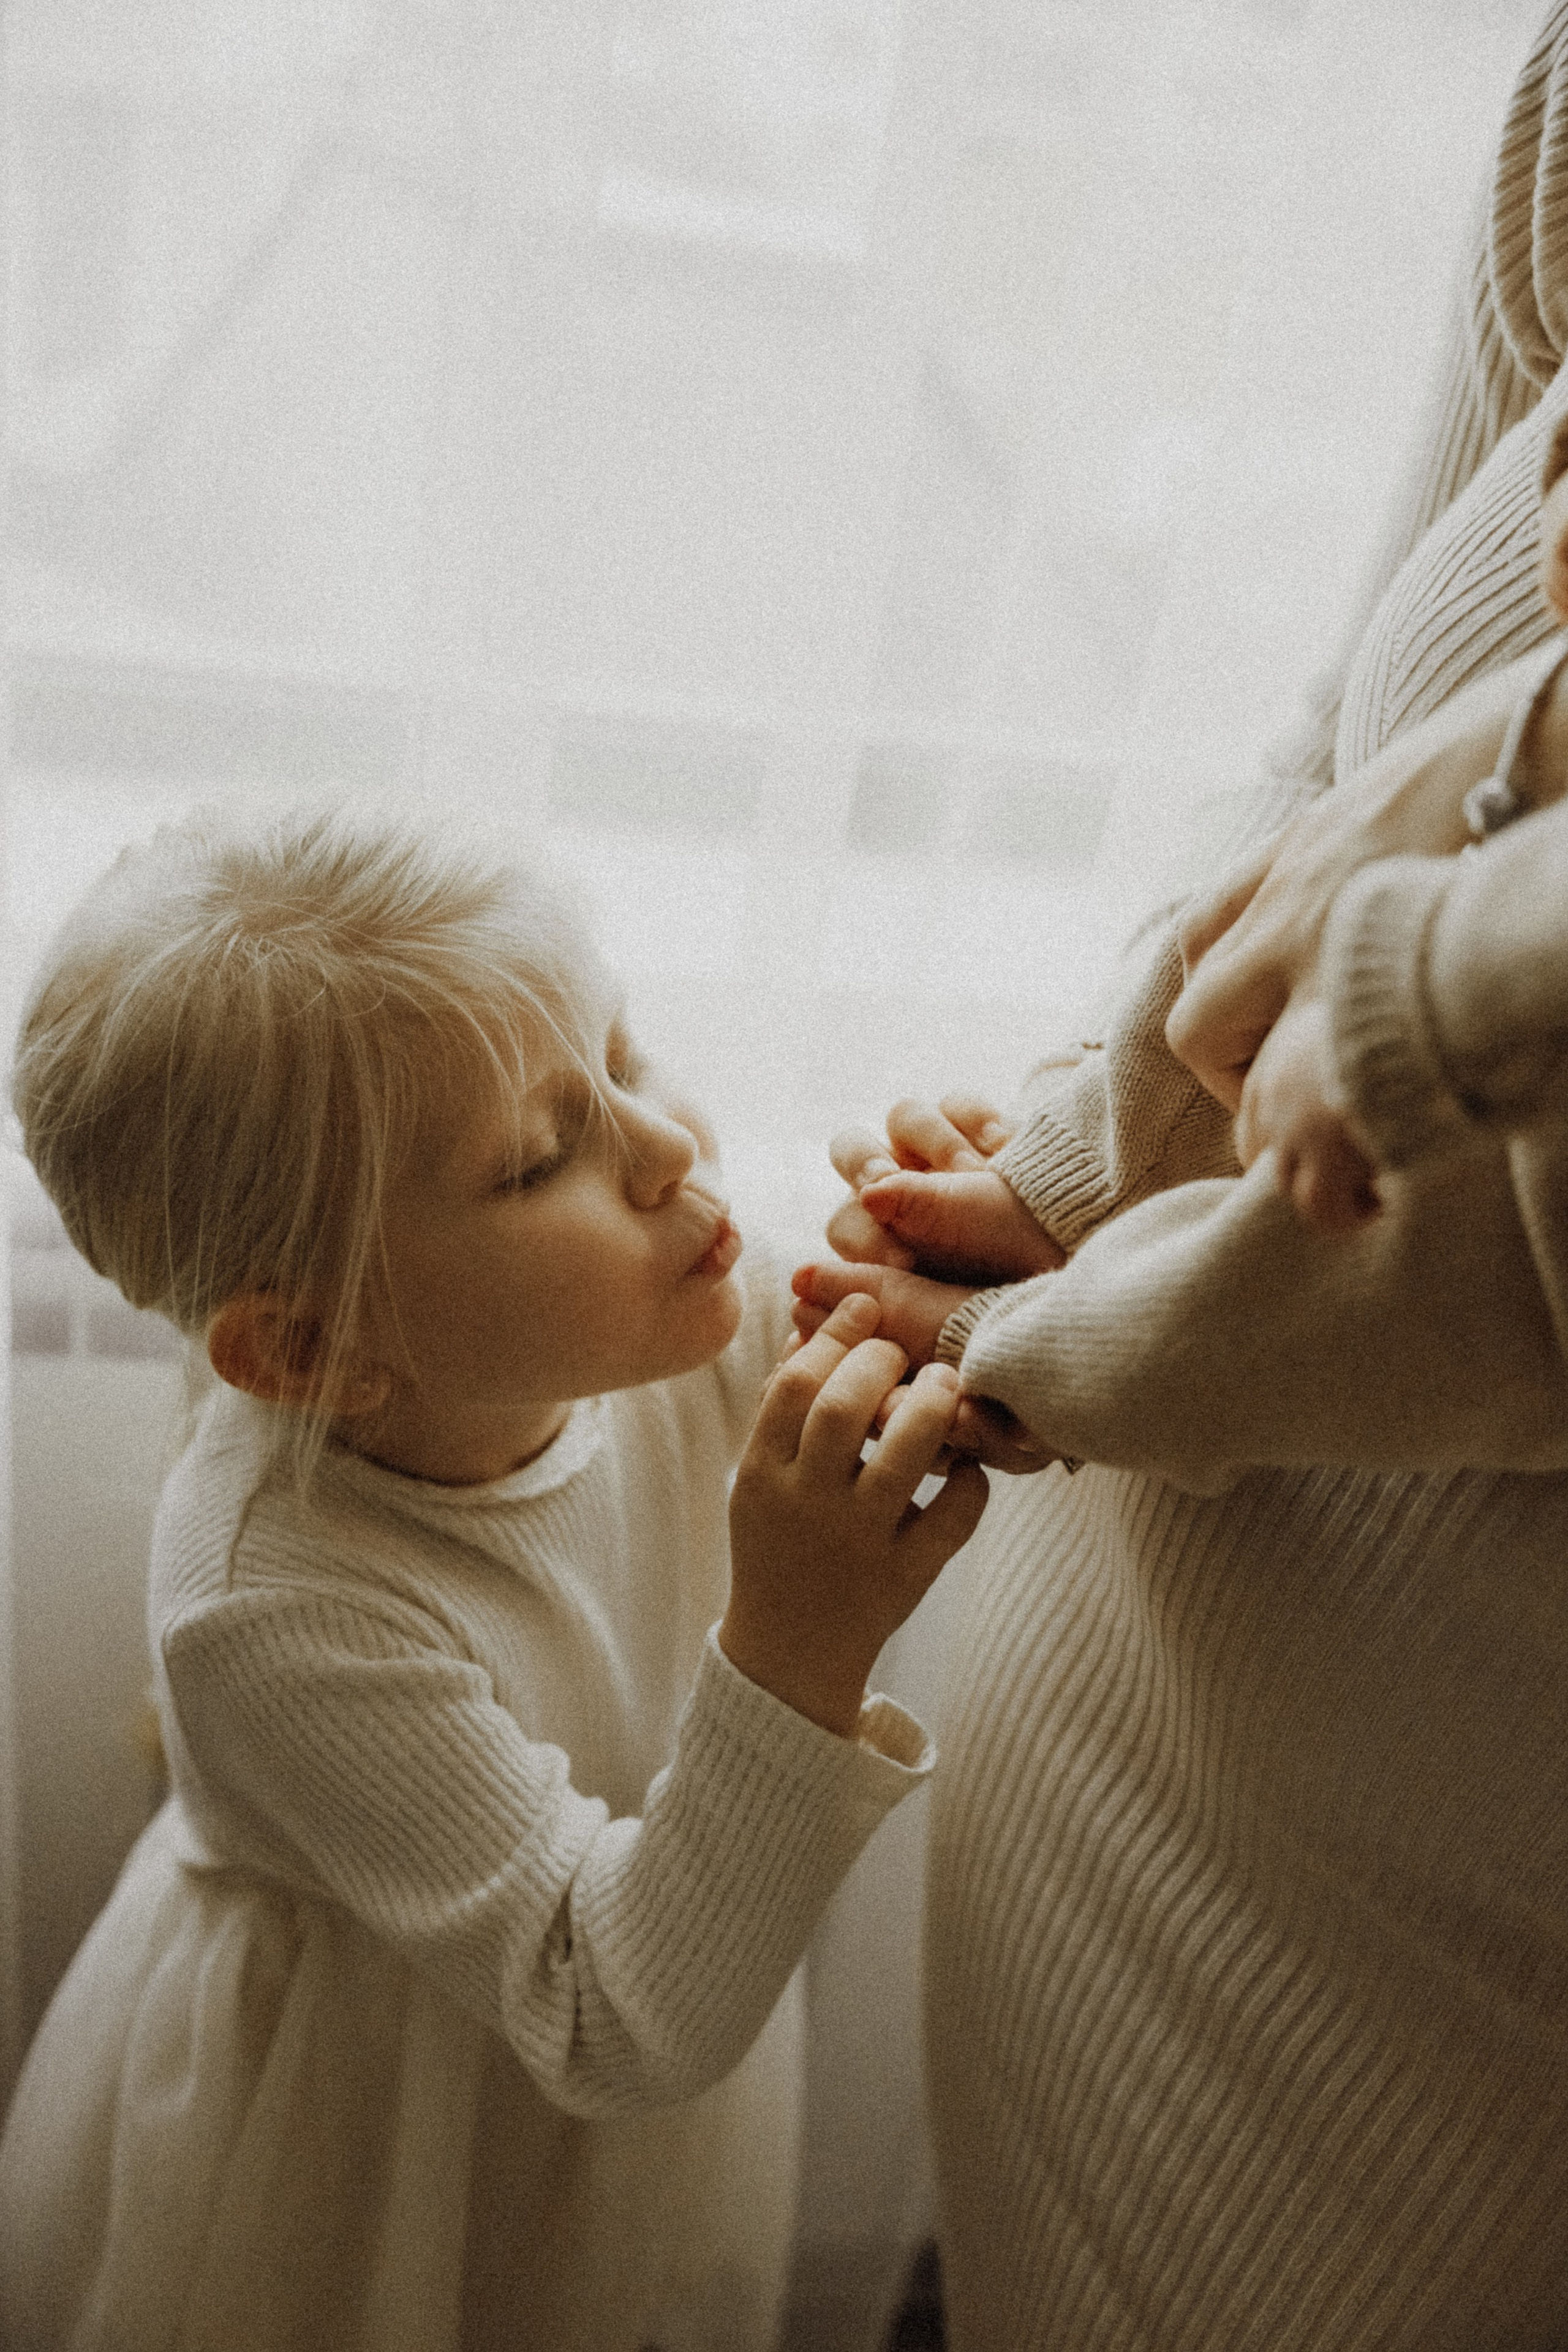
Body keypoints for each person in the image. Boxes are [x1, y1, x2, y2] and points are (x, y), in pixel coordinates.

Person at [790, 7, 1568, 2344]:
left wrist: (1029, 1353)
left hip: (1412, 2086)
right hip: (1078, 1921)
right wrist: (1076, 1145)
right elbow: (1341, 726)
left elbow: (1475, 1294)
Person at [0, 805, 987, 2352]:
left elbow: (920, 1364)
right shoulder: (266, 1604)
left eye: (623, 1049)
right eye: (542, 1158)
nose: (666, 1147)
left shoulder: (662, 1306)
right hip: (366, 2140)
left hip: (651, 2014)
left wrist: (959, 1258)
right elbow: (613, 2017)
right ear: (316, 1349)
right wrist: (798, 1644)